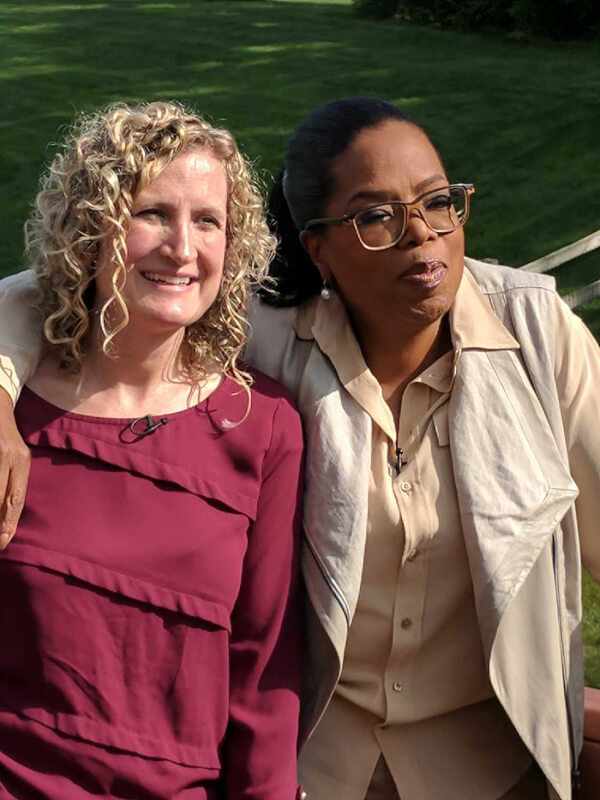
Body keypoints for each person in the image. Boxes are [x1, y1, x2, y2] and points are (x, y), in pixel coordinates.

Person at [0, 97, 598, 800]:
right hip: (323, 771)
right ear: (317, 246)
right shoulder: (268, 332)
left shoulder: (534, 331)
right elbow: (79, 283)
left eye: (439, 202)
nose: (421, 235)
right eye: (376, 216)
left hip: (495, 768)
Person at [0, 101, 304, 799]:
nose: (182, 249)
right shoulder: (13, 415)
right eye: (152, 214)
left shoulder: (263, 427)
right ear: (91, 229)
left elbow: (264, 675)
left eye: (208, 222)